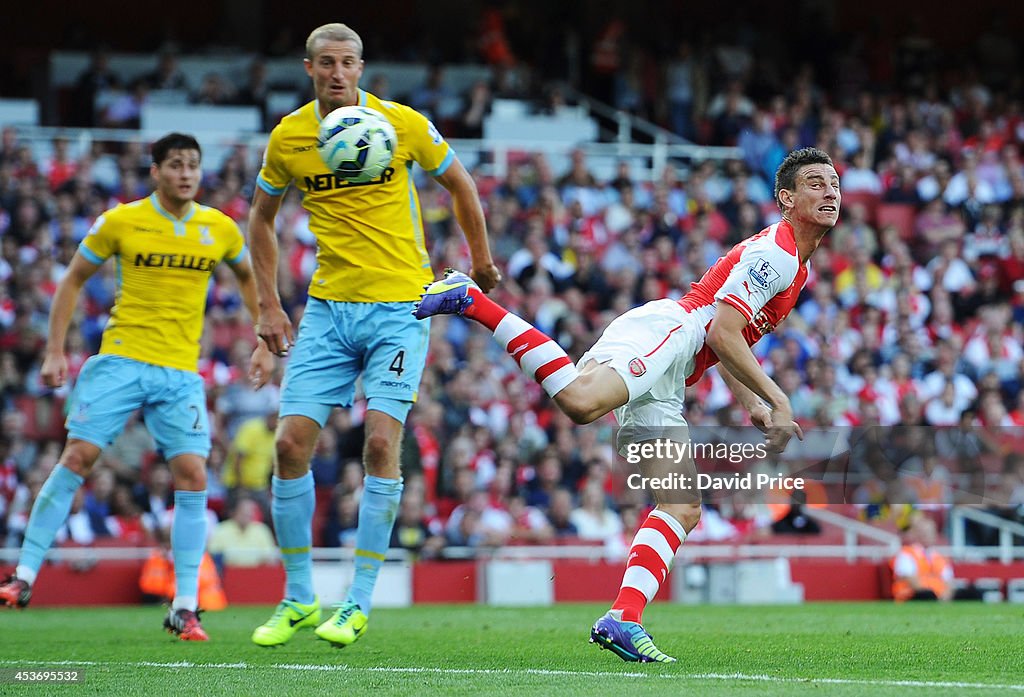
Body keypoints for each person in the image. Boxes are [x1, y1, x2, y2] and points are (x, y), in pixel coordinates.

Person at [417, 147, 841, 662]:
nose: (830, 191)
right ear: (786, 199)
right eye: (815, 183)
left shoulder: (795, 263)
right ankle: (471, 300)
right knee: (579, 401)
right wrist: (776, 396)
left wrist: (749, 399)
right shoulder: (776, 253)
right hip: (667, 334)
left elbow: (728, 335)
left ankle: (622, 619)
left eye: (834, 182)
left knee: (681, 507)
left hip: (677, 362)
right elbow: (722, 330)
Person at [248, 23, 499, 649]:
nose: (338, 72)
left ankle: (357, 602)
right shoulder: (289, 138)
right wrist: (268, 308)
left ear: (362, 68)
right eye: (326, 63)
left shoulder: (402, 125)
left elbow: (461, 183)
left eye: (349, 63)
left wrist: (483, 258)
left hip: (397, 310)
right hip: (328, 310)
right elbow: (260, 218)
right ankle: (300, 596)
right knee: (287, 448)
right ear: (309, 68)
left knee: (381, 445)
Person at [0, 133, 273, 642]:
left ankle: (186, 606)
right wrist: (56, 350)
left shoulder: (219, 228)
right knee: (78, 456)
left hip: (179, 372)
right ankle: (23, 575)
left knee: (193, 474)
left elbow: (249, 276)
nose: (187, 173)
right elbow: (73, 280)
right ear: (156, 171)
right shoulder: (122, 221)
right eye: (175, 165)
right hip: (122, 361)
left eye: (193, 164)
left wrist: (262, 337)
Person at [891, 513, 953, 601]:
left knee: (971, 593)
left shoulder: (939, 557)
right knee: (927, 595)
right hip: (912, 596)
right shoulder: (907, 553)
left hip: (937, 596)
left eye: (930, 532)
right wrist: (934, 594)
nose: (927, 536)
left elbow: (948, 581)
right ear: (916, 534)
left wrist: (945, 596)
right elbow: (912, 581)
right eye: (924, 532)